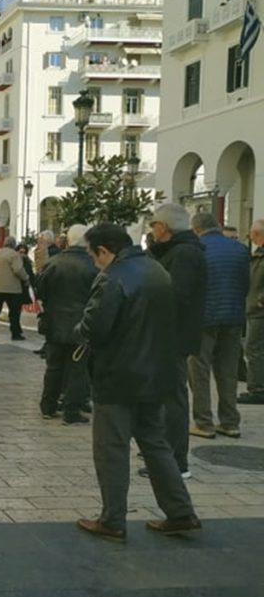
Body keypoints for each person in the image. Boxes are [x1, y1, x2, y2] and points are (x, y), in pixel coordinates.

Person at [75, 223, 200, 541]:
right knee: (156, 444)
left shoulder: (113, 277)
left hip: (118, 376)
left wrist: (79, 330)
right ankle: (181, 511)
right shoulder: (156, 268)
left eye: (93, 255)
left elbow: (95, 326)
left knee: (111, 448)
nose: (94, 262)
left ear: (105, 250)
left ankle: (112, 519)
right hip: (155, 373)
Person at [146, 203, 207, 476]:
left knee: (173, 398)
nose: (152, 230)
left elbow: (176, 296)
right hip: (168, 335)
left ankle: (175, 463)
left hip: (173, 336)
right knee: (165, 396)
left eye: (153, 225)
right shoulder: (176, 251)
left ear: (164, 227)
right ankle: (164, 458)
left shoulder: (183, 254)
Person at [188, 212, 250, 439]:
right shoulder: (240, 249)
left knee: (199, 370)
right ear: (218, 226)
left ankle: (204, 423)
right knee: (228, 371)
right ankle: (230, 422)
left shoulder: (197, 249)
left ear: (196, 229)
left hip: (204, 317)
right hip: (233, 316)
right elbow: (245, 284)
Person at [36, 224, 96, 424]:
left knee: (54, 367)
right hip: (81, 325)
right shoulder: (93, 265)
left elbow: (40, 291)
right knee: (77, 369)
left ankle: (48, 406)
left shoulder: (53, 262)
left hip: (54, 323)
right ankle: (71, 411)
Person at [0, 236, 28, 340]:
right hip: (11, 288)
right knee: (14, 313)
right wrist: (26, 277)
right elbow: (18, 269)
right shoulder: (14, 255)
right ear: (14, 245)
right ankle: (15, 333)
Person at [240, 220, 264, 405]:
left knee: (254, 349)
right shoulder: (257, 255)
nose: (251, 237)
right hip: (253, 308)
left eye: (253, 234)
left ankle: (257, 388)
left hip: (259, 311)